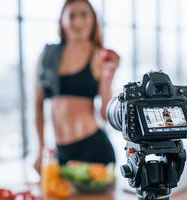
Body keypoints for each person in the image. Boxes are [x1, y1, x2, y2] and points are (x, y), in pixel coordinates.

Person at [34, 0, 120, 174]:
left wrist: (108, 77)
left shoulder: (99, 56)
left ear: (92, 20)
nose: (77, 22)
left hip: (94, 148)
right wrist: (40, 149)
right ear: (62, 20)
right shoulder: (48, 55)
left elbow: (105, 115)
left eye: (84, 15)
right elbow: (37, 106)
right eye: (71, 15)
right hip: (61, 153)